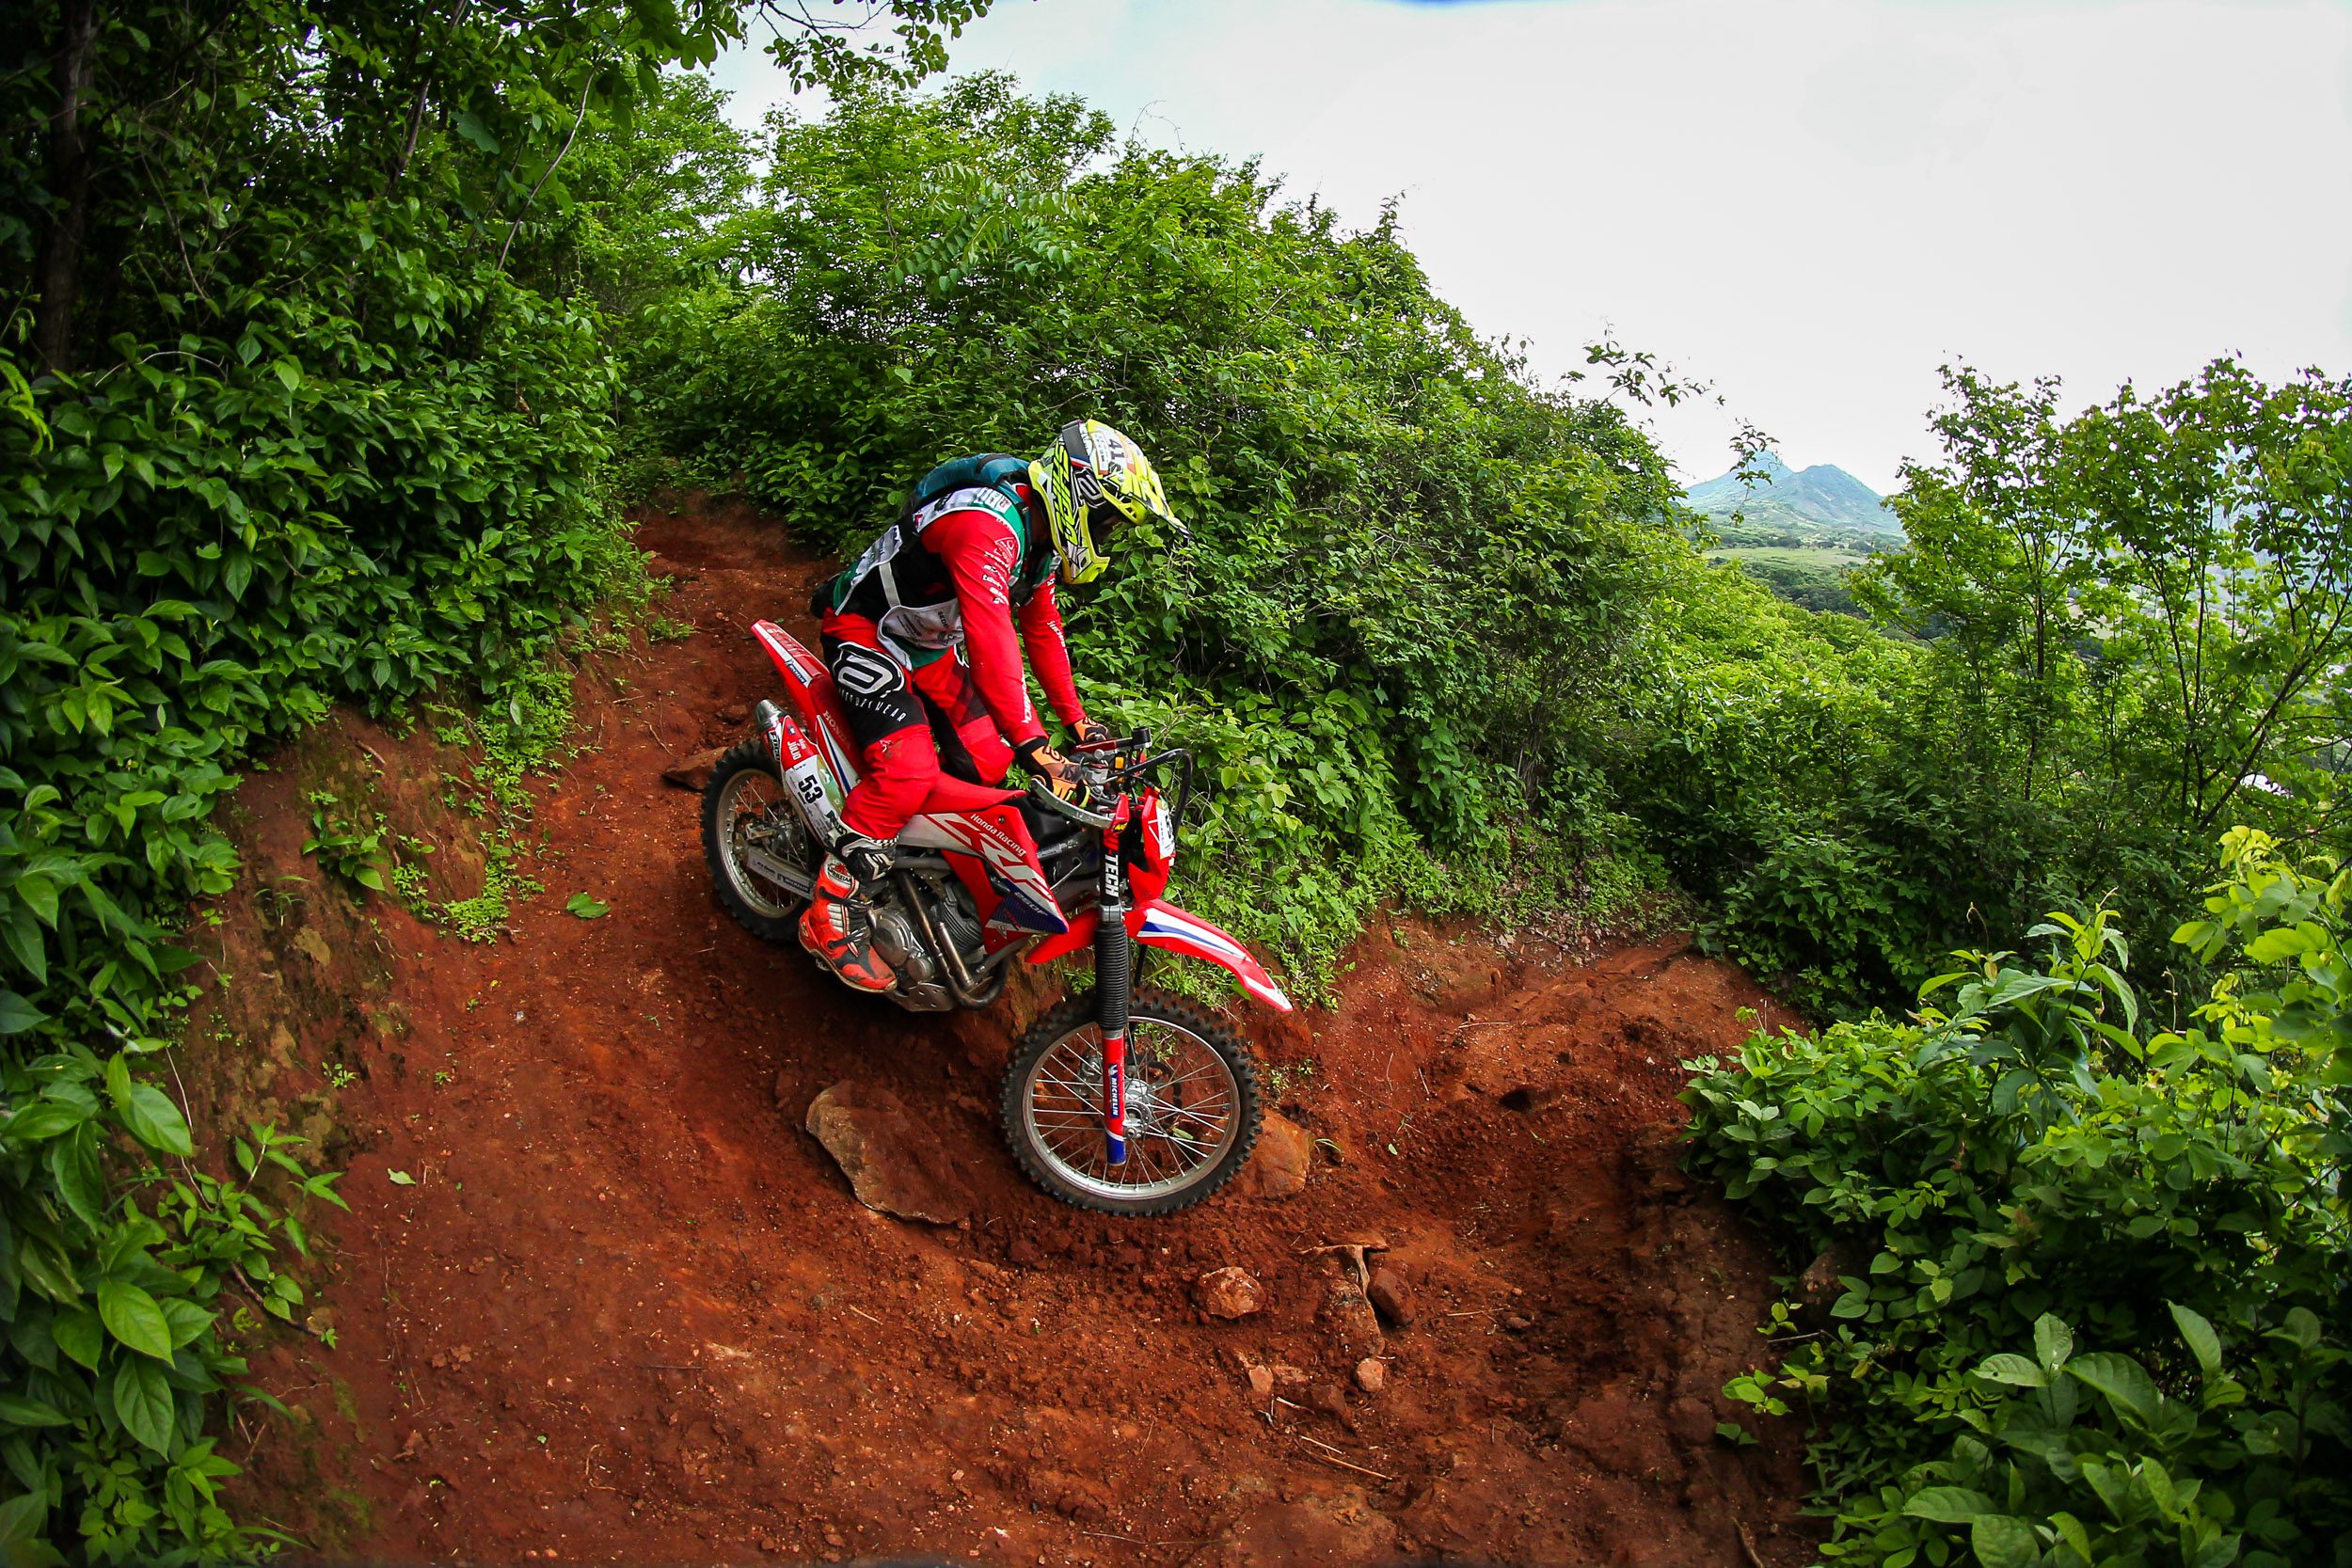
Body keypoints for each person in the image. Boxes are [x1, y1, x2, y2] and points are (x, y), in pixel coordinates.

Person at [798, 420, 1182, 990]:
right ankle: (833, 905)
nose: (1105, 536)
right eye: (1106, 522)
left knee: (988, 761)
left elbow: (1042, 629)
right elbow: (991, 637)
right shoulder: (987, 525)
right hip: (869, 630)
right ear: (1080, 494)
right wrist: (1035, 744)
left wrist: (1078, 724)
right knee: (907, 771)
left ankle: (929, 882)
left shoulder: (1039, 542)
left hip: (928, 646)